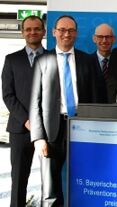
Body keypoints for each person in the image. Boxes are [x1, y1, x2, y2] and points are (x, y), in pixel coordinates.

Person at [29, 15, 107, 207]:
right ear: (54, 32)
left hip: (83, 129)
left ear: (76, 34)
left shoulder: (88, 60)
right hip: (51, 131)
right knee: (50, 189)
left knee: (86, 181)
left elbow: (99, 97)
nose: (66, 34)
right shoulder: (42, 60)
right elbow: (34, 102)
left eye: (71, 30)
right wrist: (38, 137)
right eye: (62, 30)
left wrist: (99, 132)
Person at [2, 15, 45, 207]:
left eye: (36, 28)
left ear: (43, 31)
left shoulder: (54, 57)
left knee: (50, 181)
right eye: (28, 29)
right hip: (20, 130)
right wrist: (27, 120)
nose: (32, 32)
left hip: (48, 130)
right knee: (19, 181)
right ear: (22, 33)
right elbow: (8, 95)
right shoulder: (11, 60)